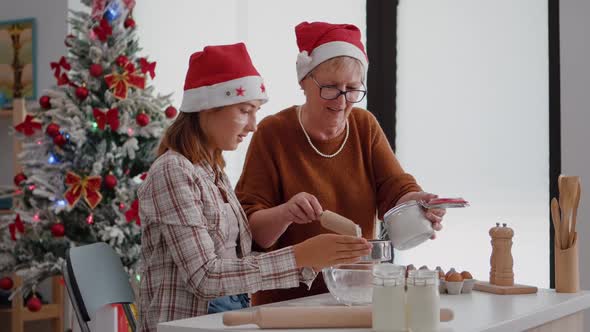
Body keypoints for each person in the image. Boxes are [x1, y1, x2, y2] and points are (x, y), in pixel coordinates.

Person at [137, 43, 371, 332]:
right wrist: (300, 255)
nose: (253, 125)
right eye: (245, 111)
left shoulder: (213, 173)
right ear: (207, 107)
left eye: (256, 112)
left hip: (225, 319)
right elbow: (205, 277)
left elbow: (238, 263)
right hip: (190, 324)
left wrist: (312, 260)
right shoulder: (173, 172)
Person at [235, 22, 446, 306]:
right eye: (331, 88)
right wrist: (285, 213)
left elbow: (394, 190)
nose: (342, 100)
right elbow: (252, 233)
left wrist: (418, 202)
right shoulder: (273, 133)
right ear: (304, 81)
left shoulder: (363, 126)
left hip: (356, 295)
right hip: (284, 305)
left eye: (352, 89)